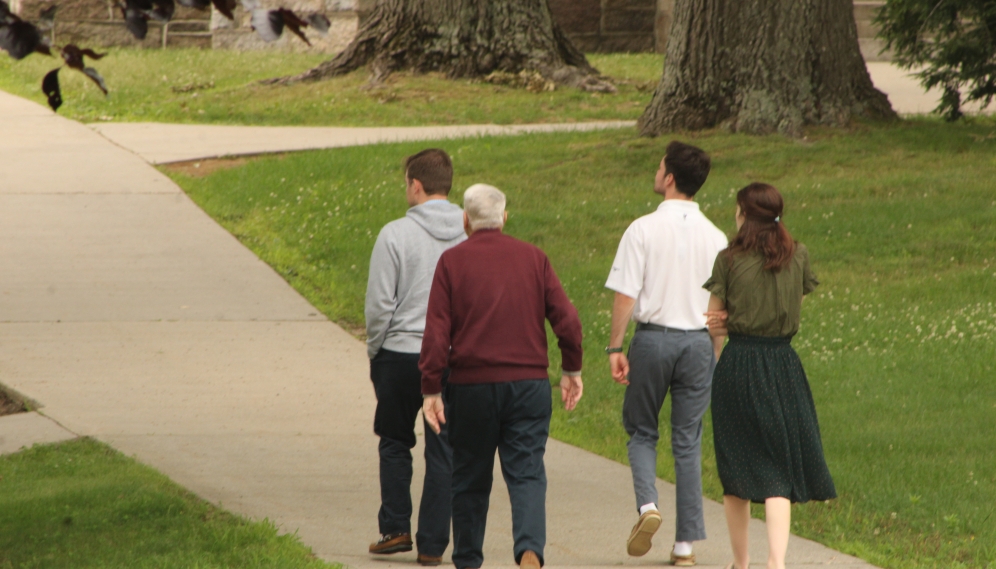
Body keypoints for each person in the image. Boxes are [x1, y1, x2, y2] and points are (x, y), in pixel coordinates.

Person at [420, 183, 584, 569]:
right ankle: (529, 551)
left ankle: (468, 560)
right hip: (528, 386)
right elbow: (569, 321)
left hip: (470, 386)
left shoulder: (452, 262)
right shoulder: (534, 258)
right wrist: (571, 368)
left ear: (465, 221)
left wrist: (430, 387)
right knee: (526, 473)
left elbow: (436, 331)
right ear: (504, 218)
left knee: (470, 477)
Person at [605, 141, 728, 567]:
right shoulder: (717, 236)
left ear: (670, 177)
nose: (656, 172)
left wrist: (615, 346)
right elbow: (718, 309)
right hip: (697, 342)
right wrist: (715, 353)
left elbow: (626, 294)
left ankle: (648, 508)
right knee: (687, 441)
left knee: (641, 430)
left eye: (660, 167)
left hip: (653, 339)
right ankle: (685, 546)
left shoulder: (641, 229)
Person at [702, 182, 836, 569]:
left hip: (739, 364)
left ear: (745, 215)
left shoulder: (728, 260)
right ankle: (776, 563)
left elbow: (713, 323)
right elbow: (793, 303)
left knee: (737, 470)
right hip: (783, 365)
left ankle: (740, 563)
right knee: (778, 470)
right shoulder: (799, 256)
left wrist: (730, 321)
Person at [365, 148, 466, 566]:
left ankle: (395, 528)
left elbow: (378, 307)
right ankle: (432, 545)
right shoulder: (470, 234)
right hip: (450, 358)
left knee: (394, 441)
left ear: (416, 185)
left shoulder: (394, 234)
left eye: (406, 182)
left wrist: (376, 351)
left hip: (400, 354)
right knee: (443, 449)